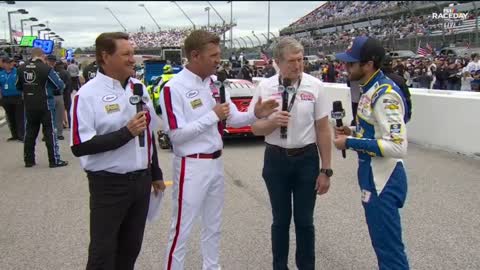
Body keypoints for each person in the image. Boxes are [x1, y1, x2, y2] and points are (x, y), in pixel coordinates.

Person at [158, 30, 278, 270]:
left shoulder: (215, 84)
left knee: (213, 226)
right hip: (191, 165)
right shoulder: (173, 88)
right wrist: (212, 116)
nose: (218, 60)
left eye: (219, 54)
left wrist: (256, 113)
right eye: (213, 55)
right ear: (194, 55)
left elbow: (233, 118)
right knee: (181, 229)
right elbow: (177, 135)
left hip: (215, 163)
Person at [70, 32, 166, 270]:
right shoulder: (87, 95)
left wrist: (155, 173)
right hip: (108, 185)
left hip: (141, 182)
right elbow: (80, 146)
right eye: (126, 54)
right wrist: (126, 133)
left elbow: (149, 132)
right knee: (103, 253)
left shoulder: (138, 87)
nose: (133, 59)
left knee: (130, 250)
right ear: (105, 56)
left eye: (132, 54)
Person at [249, 37, 332, 270]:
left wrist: (326, 169)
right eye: (291, 61)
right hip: (276, 159)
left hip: (306, 159)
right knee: (280, 221)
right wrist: (271, 122)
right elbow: (255, 128)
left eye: (301, 60)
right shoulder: (265, 87)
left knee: (305, 221)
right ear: (277, 61)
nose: (298, 66)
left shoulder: (315, 86)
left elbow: (323, 129)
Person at [334, 36, 410, 270]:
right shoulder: (371, 89)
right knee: (381, 245)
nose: (345, 68)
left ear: (368, 64)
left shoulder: (385, 94)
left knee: (389, 250)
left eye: (351, 63)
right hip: (372, 175)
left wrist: (350, 142)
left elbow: (398, 146)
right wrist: (353, 131)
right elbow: (375, 129)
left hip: (384, 179)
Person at [16, 48, 68, 168]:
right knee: (50, 132)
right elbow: (60, 85)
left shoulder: (21, 69)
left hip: (29, 105)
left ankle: (29, 160)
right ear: (42, 56)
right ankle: (54, 160)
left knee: (30, 133)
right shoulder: (46, 69)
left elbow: (18, 86)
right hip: (46, 105)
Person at [0, 56, 24, 141]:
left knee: (19, 117)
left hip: (17, 97)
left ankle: (21, 135)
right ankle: (14, 135)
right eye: (8, 62)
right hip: (6, 98)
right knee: (10, 117)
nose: (11, 64)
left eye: (11, 62)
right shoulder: (1, 73)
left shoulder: (17, 72)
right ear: (4, 64)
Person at [46, 55, 67, 140]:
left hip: (58, 95)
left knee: (59, 115)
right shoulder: (44, 70)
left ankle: (59, 133)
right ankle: (48, 133)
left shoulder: (60, 71)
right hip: (49, 96)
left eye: (53, 61)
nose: (52, 62)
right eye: (50, 61)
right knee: (48, 116)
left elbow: (64, 83)